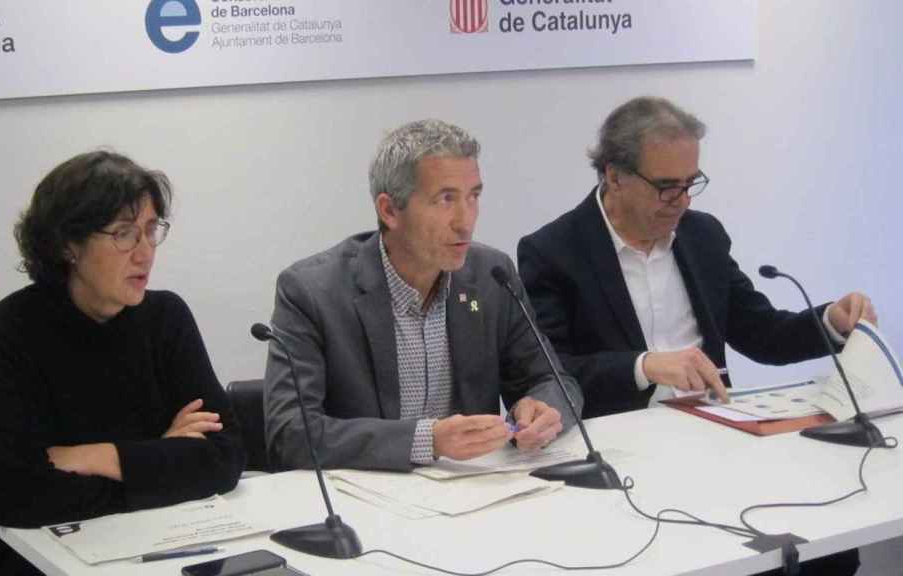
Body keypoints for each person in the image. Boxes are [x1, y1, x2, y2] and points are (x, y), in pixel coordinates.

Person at [517, 97, 871, 575]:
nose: (682, 201)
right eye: (666, 187)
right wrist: (644, 365)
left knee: (828, 549)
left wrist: (831, 320)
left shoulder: (702, 236)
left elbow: (762, 333)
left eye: (690, 184)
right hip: (624, 457)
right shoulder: (554, 251)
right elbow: (552, 372)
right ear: (613, 175)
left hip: (715, 440)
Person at [0, 151, 246, 575]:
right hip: (26, 560)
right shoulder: (9, 334)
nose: (145, 253)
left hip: (143, 547)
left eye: (151, 231)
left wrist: (94, 457)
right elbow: (26, 497)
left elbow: (226, 457)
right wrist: (164, 460)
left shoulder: (167, 319)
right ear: (67, 245)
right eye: (125, 234)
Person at [263, 119, 582, 472]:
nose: (466, 221)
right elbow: (290, 434)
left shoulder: (491, 276)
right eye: (445, 200)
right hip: (365, 501)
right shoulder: (312, 291)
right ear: (389, 210)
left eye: (473, 196)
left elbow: (555, 380)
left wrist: (543, 408)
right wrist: (427, 440)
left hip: (475, 491)